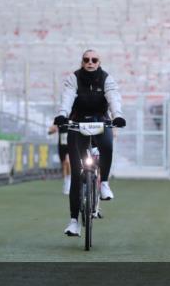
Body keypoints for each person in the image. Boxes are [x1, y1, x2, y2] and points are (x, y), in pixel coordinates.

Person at [50, 49, 126, 237]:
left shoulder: (107, 78)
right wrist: (62, 114)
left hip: (101, 120)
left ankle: (104, 183)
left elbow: (113, 97)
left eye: (94, 60)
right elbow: (67, 97)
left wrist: (117, 116)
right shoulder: (73, 78)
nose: (90, 62)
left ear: (99, 62)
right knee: (77, 173)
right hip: (77, 123)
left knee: (107, 145)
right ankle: (74, 221)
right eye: (86, 60)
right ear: (82, 62)